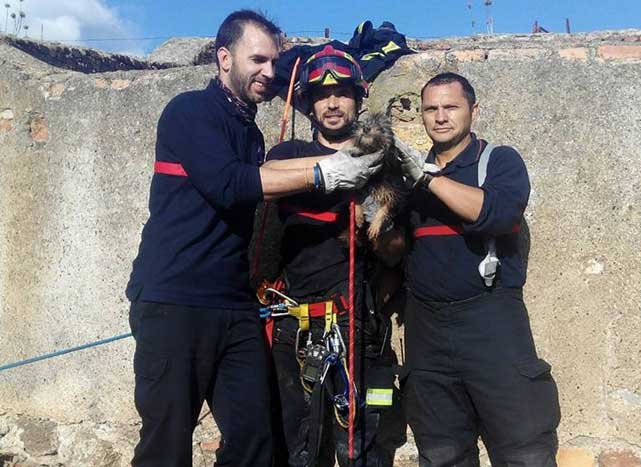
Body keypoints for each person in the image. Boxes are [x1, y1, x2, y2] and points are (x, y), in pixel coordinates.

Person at [125, 12, 383, 467]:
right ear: (224, 59)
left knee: (256, 440)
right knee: (167, 443)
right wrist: (326, 172)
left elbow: (264, 173)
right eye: (257, 60)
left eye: (274, 63)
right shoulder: (189, 112)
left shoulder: (248, 130)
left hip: (235, 304)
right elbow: (231, 183)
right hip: (175, 301)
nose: (269, 72)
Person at [394, 72, 561, 467]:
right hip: (426, 332)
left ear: (473, 110)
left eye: (450, 106)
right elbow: (393, 251)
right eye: (430, 109)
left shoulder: (498, 161)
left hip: (492, 327)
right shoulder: (406, 175)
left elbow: (497, 215)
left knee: (525, 452)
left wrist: (427, 178)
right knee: (440, 453)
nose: (440, 117)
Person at [263, 45, 402, 467]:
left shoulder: (381, 163)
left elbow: (398, 256)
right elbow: (260, 218)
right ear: (307, 104)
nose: (333, 102)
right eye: (322, 95)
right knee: (299, 449)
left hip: (356, 322)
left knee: (362, 450)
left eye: (342, 92)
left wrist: (378, 228)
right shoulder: (285, 160)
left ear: (358, 100)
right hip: (296, 328)